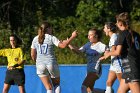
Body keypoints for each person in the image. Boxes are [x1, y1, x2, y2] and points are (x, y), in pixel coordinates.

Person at [30, 21, 77, 93]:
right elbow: (63, 46)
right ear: (48, 29)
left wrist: (38, 62)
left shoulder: (35, 38)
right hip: (51, 63)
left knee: (48, 88)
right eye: (51, 28)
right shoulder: (51, 37)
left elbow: (33, 55)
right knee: (56, 85)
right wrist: (72, 37)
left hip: (40, 65)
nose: (52, 30)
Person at [100, 12, 140, 93]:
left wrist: (108, 54)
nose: (115, 23)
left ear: (120, 23)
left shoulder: (122, 34)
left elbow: (117, 52)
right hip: (129, 70)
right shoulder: (135, 34)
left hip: (131, 69)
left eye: (117, 21)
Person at [68, 28, 107, 93]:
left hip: (95, 70)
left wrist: (105, 55)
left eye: (90, 35)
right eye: (88, 35)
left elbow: (107, 49)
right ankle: (105, 92)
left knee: (83, 87)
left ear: (96, 36)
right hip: (89, 70)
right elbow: (78, 51)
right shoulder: (88, 44)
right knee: (89, 90)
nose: (88, 37)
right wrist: (69, 44)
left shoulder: (100, 45)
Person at [101, 22, 123, 93]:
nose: (103, 29)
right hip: (114, 64)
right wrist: (107, 50)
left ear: (109, 29)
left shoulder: (114, 36)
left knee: (123, 85)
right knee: (109, 83)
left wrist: (106, 54)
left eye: (104, 28)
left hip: (118, 64)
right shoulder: (113, 37)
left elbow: (114, 51)